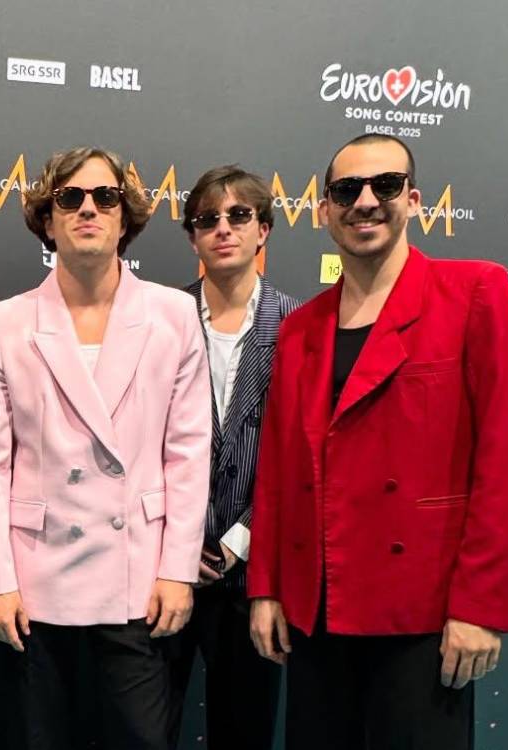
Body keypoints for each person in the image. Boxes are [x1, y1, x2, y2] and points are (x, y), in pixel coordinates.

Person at [247, 134, 508, 749]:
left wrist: (481, 606)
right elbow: (277, 471)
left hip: (422, 611)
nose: (365, 202)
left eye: (384, 185)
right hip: (316, 608)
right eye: (346, 190)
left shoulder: (474, 293)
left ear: (413, 199)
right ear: (324, 210)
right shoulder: (301, 328)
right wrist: (267, 586)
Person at [0, 146, 211, 749]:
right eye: (69, 198)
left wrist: (178, 571)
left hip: (139, 584)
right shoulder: (5, 324)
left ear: (125, 218)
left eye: (105, 197)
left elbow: (187, 454)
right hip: (35, 587)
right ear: (47, 221)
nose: (88, 209)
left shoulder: (175, 315)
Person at [167, 166, 299, 748]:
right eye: (208, 219)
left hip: (255, 576)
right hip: (164, 570)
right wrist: (180, 540)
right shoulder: (160, 318)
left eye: (239, 215)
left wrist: (237, 542)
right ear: (192, 237)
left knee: (245, 733)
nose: (223, 228)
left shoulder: (298, 325)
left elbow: (298, 461)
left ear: (263, 229)